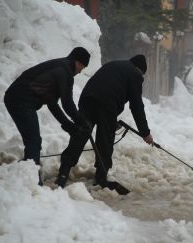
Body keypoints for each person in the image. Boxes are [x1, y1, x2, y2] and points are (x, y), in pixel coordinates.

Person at [54, 54, 153, 195]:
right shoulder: (135, 74)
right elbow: (136, 106)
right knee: (105, 140)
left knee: (80, 135)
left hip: (87, 98)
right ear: (140, 69)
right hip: (107, 104)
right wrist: (145, 132)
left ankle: (63, 174)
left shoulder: (114, 64)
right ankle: (100, 177)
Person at [4, 47, 91, 185]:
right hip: (20, 100)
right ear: (77, 62)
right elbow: (67, 104)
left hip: (17, 98)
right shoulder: (65, 72)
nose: (80, 71)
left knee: (33, 140)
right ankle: (32, 182)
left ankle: (28, 176)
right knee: (33, 140)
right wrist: (81, 121)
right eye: (82, 66)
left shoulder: (60, 67)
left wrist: (69, 126)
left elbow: (52, 104)